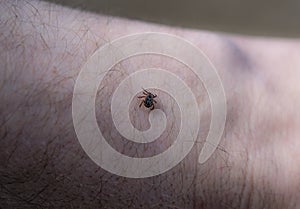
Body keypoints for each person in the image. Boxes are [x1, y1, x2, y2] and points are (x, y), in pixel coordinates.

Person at [1, 0, 299, 208]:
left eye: (148, 98)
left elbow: (148, 102)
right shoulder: (150, 100)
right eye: (148, 98)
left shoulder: (150, 100)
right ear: (149, 99)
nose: (149, 100)